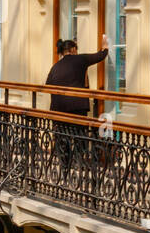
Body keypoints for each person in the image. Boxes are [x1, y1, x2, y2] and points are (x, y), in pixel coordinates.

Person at [45, 37, 110, 168]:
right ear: (73, 49)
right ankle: (80, 165)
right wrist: (105, 44)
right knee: (80, 136)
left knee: (63, 137)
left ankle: (65, 167)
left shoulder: (55, 66)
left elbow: (48, 85)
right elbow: (100, 55)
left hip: (58, 109)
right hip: (76, 107)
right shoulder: (80, 59)